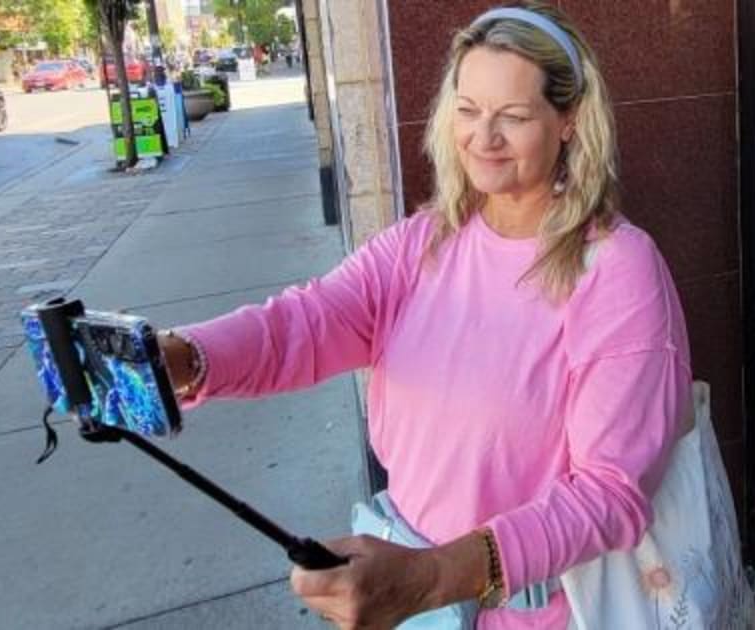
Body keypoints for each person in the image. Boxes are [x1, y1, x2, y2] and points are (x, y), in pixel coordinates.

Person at [159, 2, 693, 628]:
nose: (482, 138)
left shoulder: (617, 268)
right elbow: (302, 324)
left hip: (533, 613)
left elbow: (609, 493)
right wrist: (181, 357)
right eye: (467, 110)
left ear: (569, 120)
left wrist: (431, 577)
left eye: (513, 117)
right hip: (414, 602)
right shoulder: (423, 244)